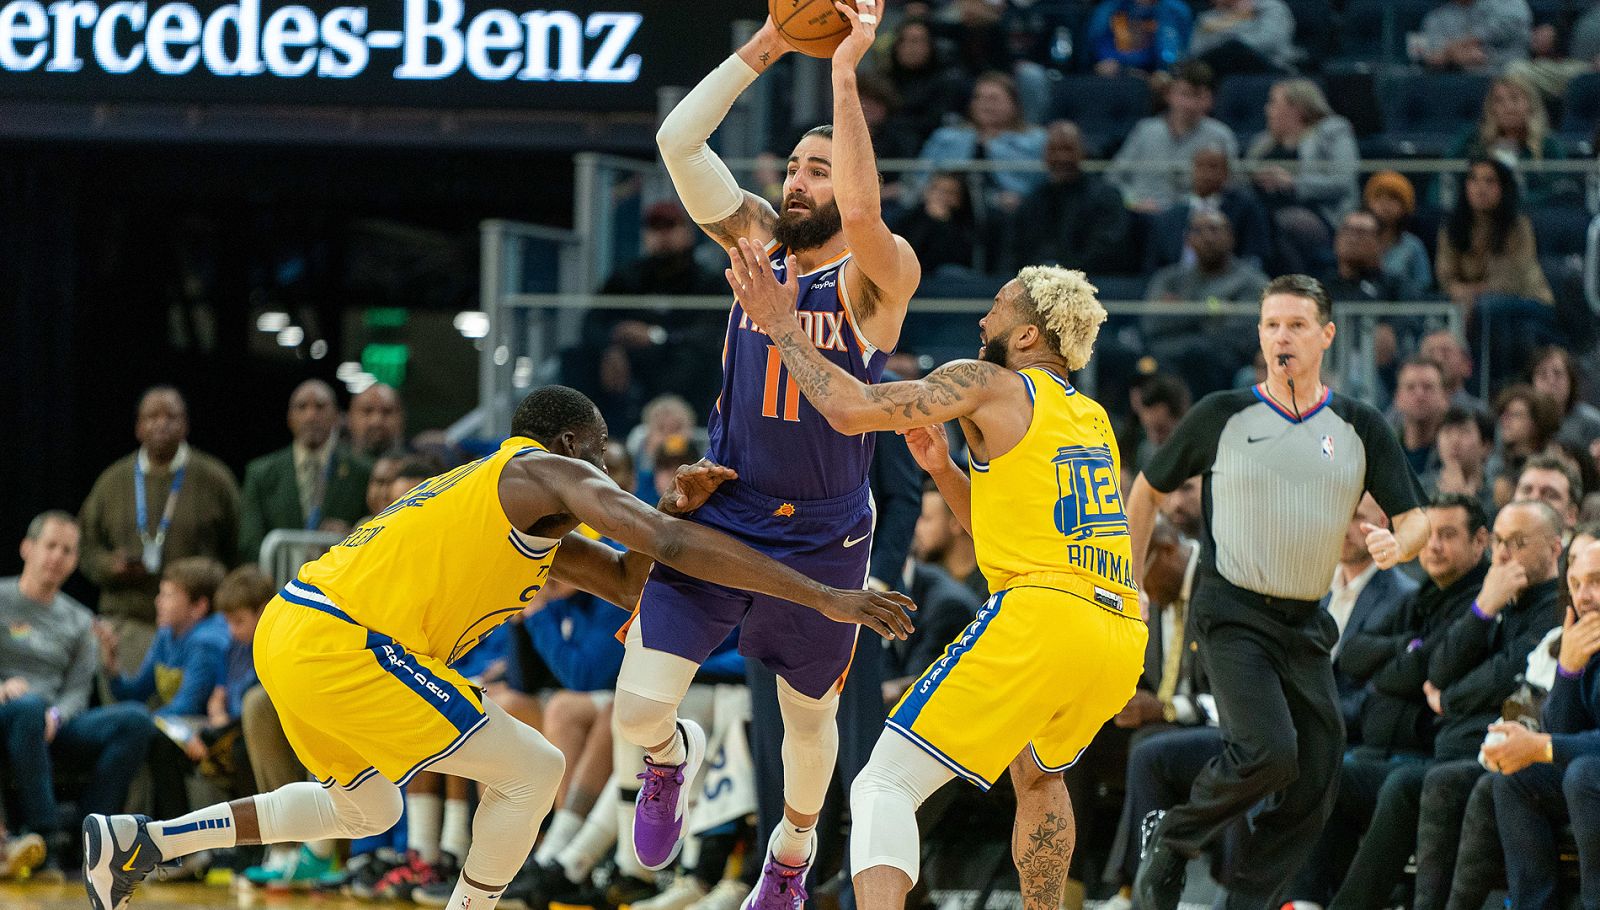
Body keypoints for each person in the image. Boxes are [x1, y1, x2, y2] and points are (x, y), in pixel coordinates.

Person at [83, 385, 914, 910]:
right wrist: (826, 595)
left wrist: (677, 506)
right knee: (535, 769)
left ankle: (143, 843)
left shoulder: (522, 512)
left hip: (297, 629)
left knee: (367, 806)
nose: (605, 475)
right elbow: (662, 543)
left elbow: (636, 582)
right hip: (339, 638)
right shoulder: (541, 471)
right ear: (572, 447)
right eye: (599, 459)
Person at [729, 240, 1148, 910]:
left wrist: (781, 324)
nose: (982, 323)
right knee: (1039, 777)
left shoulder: (988, 382)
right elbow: (1006, 535)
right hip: (1118, 630)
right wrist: (947, 474)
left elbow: (848, 407)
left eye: (994, 310)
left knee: (881, 785)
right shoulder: (1090, 417)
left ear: (1028, 333)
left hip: (1042, 617)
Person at [632, 6, 924, 903]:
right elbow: (679, 140)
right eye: (793, 166)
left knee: (810, 720)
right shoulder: (754, 239)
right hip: (731, 505)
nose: (797, 181)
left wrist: (845, 66)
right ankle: (667, 762)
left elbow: (866, 211)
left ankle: (790, 860)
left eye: (819, 168)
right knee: (639, 707)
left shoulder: (882, 276)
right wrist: (768, 43)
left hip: (828, 530)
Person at [1124, 274, 1431, 910]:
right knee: (1268, 751)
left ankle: (1248, 900)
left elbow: (1417, 516)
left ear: (1325, 336)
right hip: (1231, 611)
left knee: (1319, 771)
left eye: (1294, 325)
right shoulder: (1222, 414)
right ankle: (1174, 837)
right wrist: (1127, 582)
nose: (1280, 336)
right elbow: (1148, 492)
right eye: (1270, 325)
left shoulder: (1359, 424)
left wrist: (1400, 544)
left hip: (1305, 622)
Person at [1329, 498, 1562, 910]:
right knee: (1328, 772)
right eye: (1502, 543)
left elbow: (1502, 675)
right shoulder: (1495, 598)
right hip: (1451, 748)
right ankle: (1304, 900)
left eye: (1519, 542)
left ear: (1554, 549)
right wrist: (1484, 608)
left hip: (1484, 754)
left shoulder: (1552, 610)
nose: (1505, 555)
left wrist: (1448, 698)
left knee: (1412, 785)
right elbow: (1437, 668)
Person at [0, 512, 152, 874]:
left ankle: (91, 833)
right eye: (50, 546)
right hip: (8, 713)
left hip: (52, 721)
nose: (57, 557)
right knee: (28, 707)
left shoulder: (79, 619)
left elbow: (77, 691)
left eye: (67, 551)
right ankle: (46, 836)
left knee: (136, 721)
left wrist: (56, 716)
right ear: (27, 548)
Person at [78, 385, 240, 676]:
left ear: (186, 425)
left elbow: (236, 548)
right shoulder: (112, 481)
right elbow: (85, 546)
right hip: (129, 620)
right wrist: (110, 566)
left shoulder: (215, 479)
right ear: (139, 427)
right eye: (152, 417)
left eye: (171, 416)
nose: (161, 424)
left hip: (196, 629)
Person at [1487, 536, 1600, 910]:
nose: (1584, 596)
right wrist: (1568, 669)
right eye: (1577, 584)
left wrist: (1540, 746)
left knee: (1583, 773)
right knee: (1517, 776)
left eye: (1598, 581)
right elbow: (1563, 731)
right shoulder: (1587, 639)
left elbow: (1557, 744)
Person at [1436, 157, 1554, 384]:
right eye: (1473, 180)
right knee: (1486, 312)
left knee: (1489, 310)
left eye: (1489, 181)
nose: (1480, 188)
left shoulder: (1517, 226)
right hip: (1479, 308)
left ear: (1503, 188)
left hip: (1530, 302)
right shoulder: (1452, 228)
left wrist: (1469, 295)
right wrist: (1468, 296)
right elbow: (1446, 278)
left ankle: (1487, 386)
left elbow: (1508, 282)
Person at [238, 380, 373, 563]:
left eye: (320, 407)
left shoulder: (361, 471)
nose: (311, 415)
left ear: (336, 417)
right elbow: (249, 542)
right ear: (289, 418)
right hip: (278, 584)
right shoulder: (261, 473)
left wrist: (351, 532)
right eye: (302, 407)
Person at [1142, 210, 1270, 398]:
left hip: (1225, 365)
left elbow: (1242, 338)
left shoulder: (1253, 282)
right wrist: (1212, 309)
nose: (1208, 238)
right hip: (1167, 356)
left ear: (1231, 237)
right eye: (1198, 231)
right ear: (1188, 240)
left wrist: (1182, 310)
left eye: (1215, 230)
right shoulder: (1169, 279)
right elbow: (1152, 325)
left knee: (1198, 354)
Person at [1244, 79, 1360, 274]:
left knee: (1281, 224)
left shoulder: (1332, 131)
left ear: (1296, 108)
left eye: (1273, 102)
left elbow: (1344, 181)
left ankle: (1295, 289)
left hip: (1319, 214)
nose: (1267, 109)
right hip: (1263, 210)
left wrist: (1292, 183)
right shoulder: (1262, 142)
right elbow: (1243, 178)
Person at [1105, 62, 1239, 213]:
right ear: (1169, 94)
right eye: (1184, 94)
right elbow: (1114, 178)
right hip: (1142, 214)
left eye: (1197, 96)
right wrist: (1133, 201)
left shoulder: (1221, 136)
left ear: (1209, 99)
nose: (1189, 104)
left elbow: (1232, 186)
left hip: (1195, 218)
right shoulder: (1145, 130)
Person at [1004, 120, 1132, 276]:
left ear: (1082, 152)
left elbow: (1109, 253)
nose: (1061, 157)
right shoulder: (1033, 202)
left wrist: (1065, 275)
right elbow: (1016, 253)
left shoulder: (1106, 198)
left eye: (1068, 149)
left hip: (1092, 285)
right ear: (1045, 155)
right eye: (1054, 150)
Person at [914, 71, 1046, 211]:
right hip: (950, 209)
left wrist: (1024, 199)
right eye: (979, 98)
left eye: (993, 99)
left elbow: (1044, 184)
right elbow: (919, 178)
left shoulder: (1036, 140)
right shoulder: (946, 137)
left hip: (1015, 211)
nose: (985, 105)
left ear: (1014, 103)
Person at [1144, 147, 1272, 273]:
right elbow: (1154, 265)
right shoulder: (1172, 215)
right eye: (1200, 166)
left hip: (1228, 283)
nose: (1206, 174)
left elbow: (1254, 257)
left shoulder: (1246, 207)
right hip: (1180, 286)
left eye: (1213, 167)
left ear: (1226, 173)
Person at [1448, 75, 1567, 206]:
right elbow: (1445, 179)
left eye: (1515, 99)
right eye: (1499, 101)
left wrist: (1507, 202)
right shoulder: (1472, 141)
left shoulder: (1548, 145)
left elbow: (1560, 190)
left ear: (1530, 104)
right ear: (1491, 108)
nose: (1508, 107)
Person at [1363, 171, 1433, 298]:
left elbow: (1423, 285)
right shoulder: (1360, 241)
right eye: (1378, 197)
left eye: (1393, 198)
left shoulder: (1413, 246)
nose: (1385, 204)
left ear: (1405, 206)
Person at [1416, 0, 1533, 74]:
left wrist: (1467, 43)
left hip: (1508, 77)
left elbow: (1516, 28)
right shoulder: (1435, 19)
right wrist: (1451, 55)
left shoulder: (1506, 4)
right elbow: (1430, 56)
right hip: (1458, 85)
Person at [1189, 0, 1300, 76]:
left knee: (1233, 48)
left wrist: (1235, 26)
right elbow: (1196, 52)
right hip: (1221, 73)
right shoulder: (1206, 19)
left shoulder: (1270, 7)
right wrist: (1235, 18)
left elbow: (1269, 41)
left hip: (1269, 69)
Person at [1086, 0, 1194, 77]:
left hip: (1157, 76)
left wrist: (1160, 72)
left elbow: (1176, 52)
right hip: (1118, 72)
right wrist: (1126, 69)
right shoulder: (1110, 8)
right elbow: (1099, 47)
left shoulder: (1175, 10)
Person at [1431, 405, 1499, 518]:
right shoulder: (1419, 490)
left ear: (1486, 446)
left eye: (1464, 432)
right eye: (1447, 431)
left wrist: (1467, 504)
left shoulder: (1497, 496)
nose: (1454, 441)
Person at [1530, 345, 1600, 451]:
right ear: (1532, 382)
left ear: (1571, 381)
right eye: (1543, 375)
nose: (1551, 381)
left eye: (1558, 374)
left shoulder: (1592, 422)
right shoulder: (1519, 419)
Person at [1393, 357, 1452, 478]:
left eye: (1428, 387)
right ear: (1398, 398)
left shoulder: (1456, 453)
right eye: (1410, 387)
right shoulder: (1383, 451)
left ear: (1444, 397)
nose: (1419, 395)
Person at [347, 384, 406, 459]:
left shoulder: (419, 465)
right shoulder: (331, 464)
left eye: (387, 411)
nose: (377, 421)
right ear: (350, 418)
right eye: (367, 411)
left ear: (401, 418)